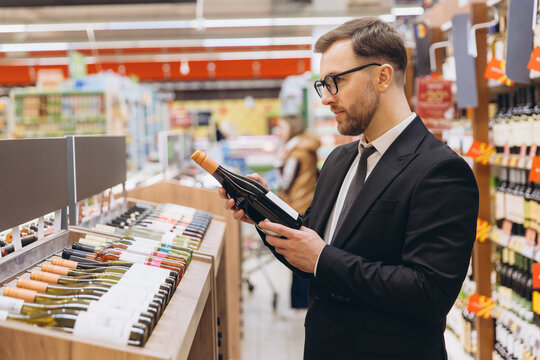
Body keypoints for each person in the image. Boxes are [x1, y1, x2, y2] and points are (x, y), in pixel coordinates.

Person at [219, 17, 479, 360]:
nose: (327, 98)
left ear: (382, 76)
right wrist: (266, 212)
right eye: (323, 84)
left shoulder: (440, 171)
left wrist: (324, 259)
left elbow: (429, 293)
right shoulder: (339, 160)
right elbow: (309, 253)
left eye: (336, 82)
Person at [274, 114, 320, 310]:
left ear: (292, 128)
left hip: (297, 207)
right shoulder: (306, 148)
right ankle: (302, 302)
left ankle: (300, 304)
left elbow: (285, 183)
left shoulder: (295, 152)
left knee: (298, 257)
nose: (278, 132)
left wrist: (277, 164)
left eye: (282, 128)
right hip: (307, 204)